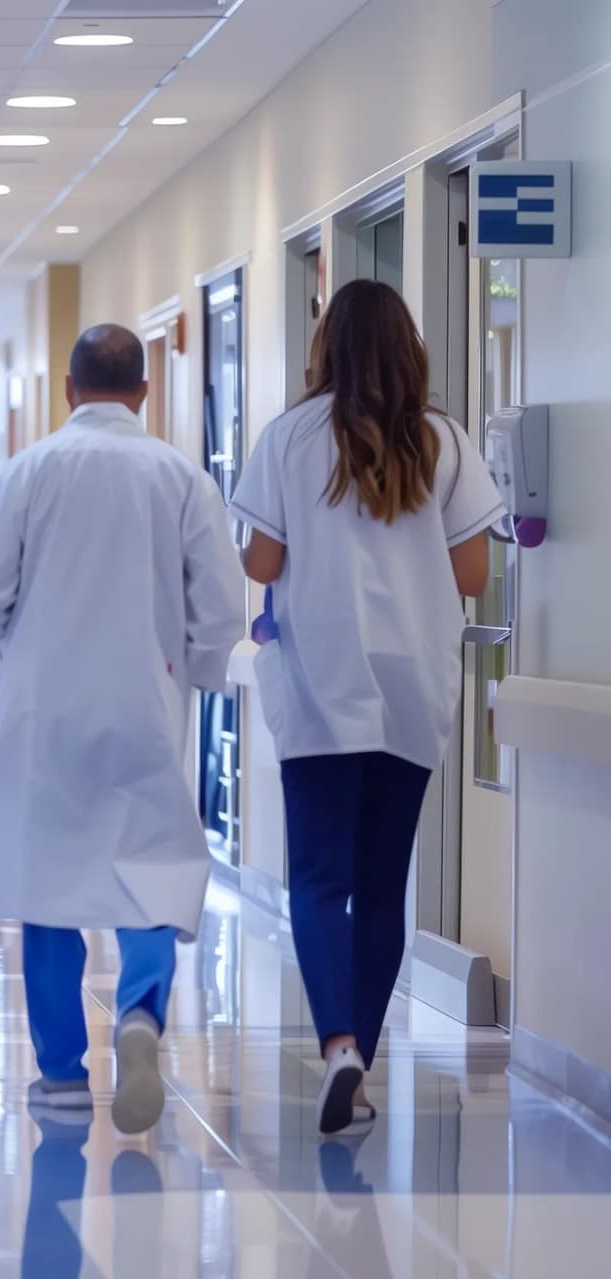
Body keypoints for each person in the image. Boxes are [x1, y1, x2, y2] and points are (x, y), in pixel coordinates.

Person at [0, 324, 246, 1135]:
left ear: (71, 389)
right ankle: (141, 1016)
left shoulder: (28, 470)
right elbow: (222, 607)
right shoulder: (181, 478)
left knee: (49, 883)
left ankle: (60, 1076)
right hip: (145, 705)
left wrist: (16, 630)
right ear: (144, 393)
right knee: (149, 867)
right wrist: (196, 667)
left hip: (46, 708)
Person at [229, 279, 502, 1135]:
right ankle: (365, 1063)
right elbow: (470, 577)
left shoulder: (288, 436)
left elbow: (261, 564)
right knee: (384, 888)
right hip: (413, 690)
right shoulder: (445, 442)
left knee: (317, 877)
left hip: (321, 685)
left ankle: (338, 1045)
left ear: (326, 347)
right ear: (409, 348)